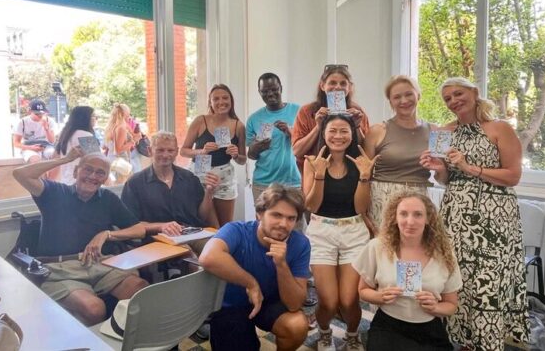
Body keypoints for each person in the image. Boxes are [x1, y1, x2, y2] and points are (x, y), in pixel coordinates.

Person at [420, 77, 529, 350]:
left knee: (488, 280)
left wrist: (470, 168)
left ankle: (488, 340)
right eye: (448, 98)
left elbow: (513, 176)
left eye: (458, 94)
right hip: (456, 212)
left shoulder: (500, 128)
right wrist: (438, 168)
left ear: (474, 93)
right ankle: (464, 339)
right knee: (458, 276)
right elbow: (445, 179)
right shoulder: (443, 132)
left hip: (495, 216)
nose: (454, 101)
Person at [12, 147, 148, 326]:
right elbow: (20, 174)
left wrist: (106, 234)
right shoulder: (54, 192)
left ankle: (123, 338)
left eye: (100, 173)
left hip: (100, 264)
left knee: (141, 292)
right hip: (60, 269)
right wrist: (64, 159)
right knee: (94, 309)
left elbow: (139, 230)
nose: (93, 176)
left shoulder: (108, 198)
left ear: (105, 178)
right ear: (76, 171)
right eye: (88, 169)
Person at [199, 184, 310, 351]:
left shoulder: (300, 243)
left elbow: (294, 304)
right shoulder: (237, 230)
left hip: (269, 302)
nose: (283, 224)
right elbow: (208, 257)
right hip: (231, 306)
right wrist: (251, 283)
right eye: (276, 215)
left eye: (291, 218)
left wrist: (281, 264)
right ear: (259, 214)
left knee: (296, 325)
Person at [303, 114, 377, 351]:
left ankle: (352, 335)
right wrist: (319, 174)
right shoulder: (312, 161)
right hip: (321, 231)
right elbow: (311, 206)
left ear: (352, 134)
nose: (338, 136)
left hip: (354, 231)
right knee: (329, 300)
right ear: (323, 134)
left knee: (349, 299)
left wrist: (364, 176)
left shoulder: (360, 163)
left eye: (344, 131)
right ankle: (324, 333)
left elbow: (360, 208)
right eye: (332, 131)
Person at [353, 192, 462, 351]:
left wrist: (435, 307)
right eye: (403, 214)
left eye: (418, 214)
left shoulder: (445, 255)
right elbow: (363, 291)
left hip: (429, 328)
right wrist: (380, 296)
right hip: (388, 325)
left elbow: (451, 305)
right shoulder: (377, 247)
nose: (410, 221)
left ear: (428, 219)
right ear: (395, 217)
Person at [363, 76, 435, 233]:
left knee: (417, 246)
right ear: (390, 102)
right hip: (383, 201)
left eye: (409, 94)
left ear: (418, 95)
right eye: (397, 97)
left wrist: (440, 167)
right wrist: (362, 213)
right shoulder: (377, 131)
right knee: (384, 247)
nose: (404, 100)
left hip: (419, 200)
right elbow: (363, 176)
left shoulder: (434, 131)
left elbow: (443, 177)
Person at [121, 131, 220, 239]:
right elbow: (130, 224)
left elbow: (201, 216)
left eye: (170, 150)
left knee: (223, 246)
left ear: (176, 151)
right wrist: (161, 226)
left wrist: (209, 192)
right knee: (189, 251)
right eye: (160, 150)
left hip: (192, 233)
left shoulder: (190, 178)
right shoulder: (135, 183)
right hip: (158, 239)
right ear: (150, 151)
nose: (165, 155)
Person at [180, 84, 247, 226]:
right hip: (200, 176)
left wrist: (236, 155)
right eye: (216, 99)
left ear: (231, 100)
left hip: (224, 177)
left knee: (225, 226)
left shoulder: (239, 126)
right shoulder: (200, 121)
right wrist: (201, 151)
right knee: (207, 224)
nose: (221, 102)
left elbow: (243, 160)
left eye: (225, 98)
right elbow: (183, 151)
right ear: (210, 102)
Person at [292, 64, 370, 174]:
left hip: (349, 174)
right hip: (314, 173)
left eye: (343, 83)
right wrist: (318, 127)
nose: (338, 87)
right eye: (332, 83)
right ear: (322, 85)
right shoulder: (307, 111)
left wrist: (357, 126)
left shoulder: (357, 111)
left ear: (349, 87)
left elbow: (367, 151)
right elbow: (297, 151)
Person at [246, 72, 301, 202]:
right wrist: (256, 148)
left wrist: (291, 132)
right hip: (263, 183)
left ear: (281, 88)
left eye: (274, 89)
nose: (270, 94)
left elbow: (309, 144)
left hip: (293, 182)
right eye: (265, 91)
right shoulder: (253, 119)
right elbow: (251, 155)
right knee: (264, 216)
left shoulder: (298, 111)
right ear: (259, 92)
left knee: (295, 215)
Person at [54, 106, 99, 183]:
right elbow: (97, 161)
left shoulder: (65, 134)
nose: (96, 119)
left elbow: (55, 156)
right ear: (85, 118)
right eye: (94, 116)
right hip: (81, 182)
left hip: (66, 180)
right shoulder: (85, 135)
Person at [104, 103, 141, 184]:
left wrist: (136, 136)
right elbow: (118, 149)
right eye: (128, 114)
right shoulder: (121, 128)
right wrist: (132, 142)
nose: (129, 116)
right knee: (121, 186)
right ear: (124, 114)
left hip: (113, 159)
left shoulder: (114, 126)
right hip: (120, 162)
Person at [13, 99, 57, 164]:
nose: (40, 115)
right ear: (29, 112)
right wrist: (31, 148)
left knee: (55, 156)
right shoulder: (23, 122)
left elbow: (52, 141)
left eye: (42, 113)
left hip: (47, 146)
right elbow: (16, 143)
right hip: (29, 147)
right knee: (35, 160)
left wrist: (46, 129)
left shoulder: (49, 121)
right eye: (37, 113)